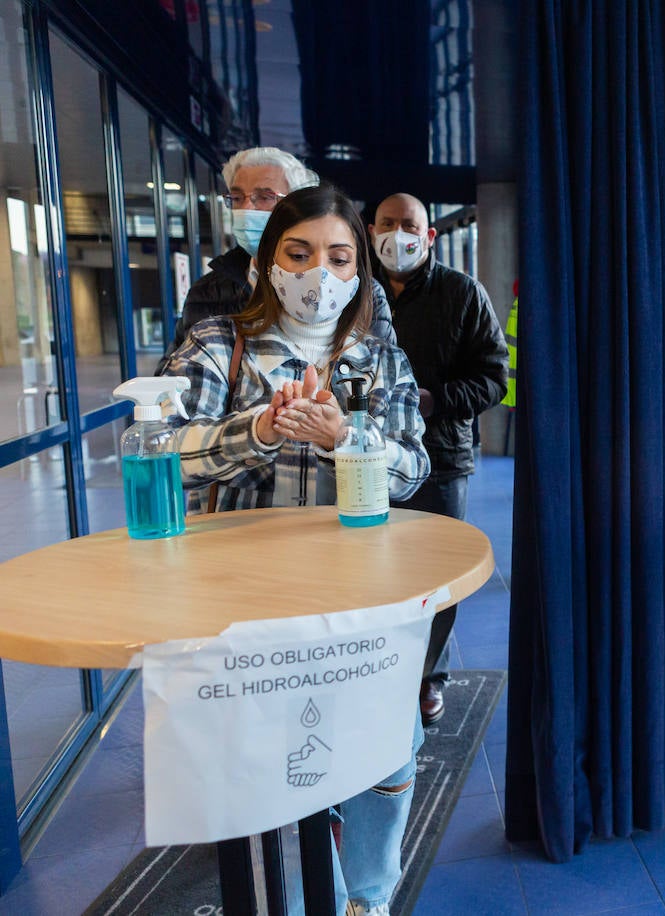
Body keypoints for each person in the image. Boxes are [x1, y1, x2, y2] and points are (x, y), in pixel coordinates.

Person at [163, 184, 430, 916]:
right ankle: (326, 896)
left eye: (340, 257)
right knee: (284, 764)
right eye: (300, 253)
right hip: (249, 603)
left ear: (360, 270)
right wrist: (262, 431)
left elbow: (414, 468)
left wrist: (349, 440)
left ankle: (368, 899)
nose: (320, 274)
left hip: (358, 596)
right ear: (269, 261)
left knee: (389, 746)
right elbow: (163, 452)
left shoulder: (377, 355)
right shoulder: (221, 345)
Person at [368, 192, 508, 727]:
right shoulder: (352, 290)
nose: (397, 234)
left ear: (429, 237)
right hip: (365, 459)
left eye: (410, 225)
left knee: (437, 577)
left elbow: (494, 377)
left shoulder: (462, 293)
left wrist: (436, 401)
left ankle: (427, 676)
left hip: (442, 457)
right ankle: (381, 672)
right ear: (370, 228)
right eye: (387, 223)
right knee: (377, 572)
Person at [159, 146, 395, 365]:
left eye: (265, 197)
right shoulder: (207, 292)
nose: (246, 210)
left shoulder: (362, 292)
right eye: (237, 198)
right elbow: (176, 378)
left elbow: (380, 372)